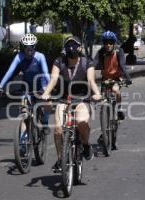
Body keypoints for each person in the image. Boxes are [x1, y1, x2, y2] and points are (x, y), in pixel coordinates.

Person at [41, 36, 101, 172]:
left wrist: (97, 94)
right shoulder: (59, 61)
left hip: (82, 99)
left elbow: (91, 81)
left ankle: (85, 145)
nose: (71, 48)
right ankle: (60, 159)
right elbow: (53, 79)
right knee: (58, 129)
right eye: (68, 45)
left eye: (75, 45)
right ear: (64, 48)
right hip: (63, 99)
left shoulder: (87, 62)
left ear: (80, 48)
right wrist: (46, 93)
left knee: (81, 122)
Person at [0, 33, 51, 134]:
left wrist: (49, 89)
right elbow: (10, 72)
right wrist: (0, 86)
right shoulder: (19, 57)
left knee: (47, 103)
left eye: (31, 47)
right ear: (23, 47)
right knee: (24, 111)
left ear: (35, 46)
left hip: (41, 85)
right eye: (26, 47)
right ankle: (23, 142)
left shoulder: (40, 57)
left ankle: (45, 122)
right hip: (26, 87)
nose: (29, 49)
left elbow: (46, 74)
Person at [93, 30, 132, 149]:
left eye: (110, 42)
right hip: (105, 79)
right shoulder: (101, 52)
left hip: (117, 77)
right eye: (106, 42)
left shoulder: (119, 51)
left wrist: (128, 78)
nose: (108, 45)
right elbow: (93, 64)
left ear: (114, 43)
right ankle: (105, 129)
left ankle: (119, 109)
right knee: (103, 100)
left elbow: (122, 65)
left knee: (115, 90)